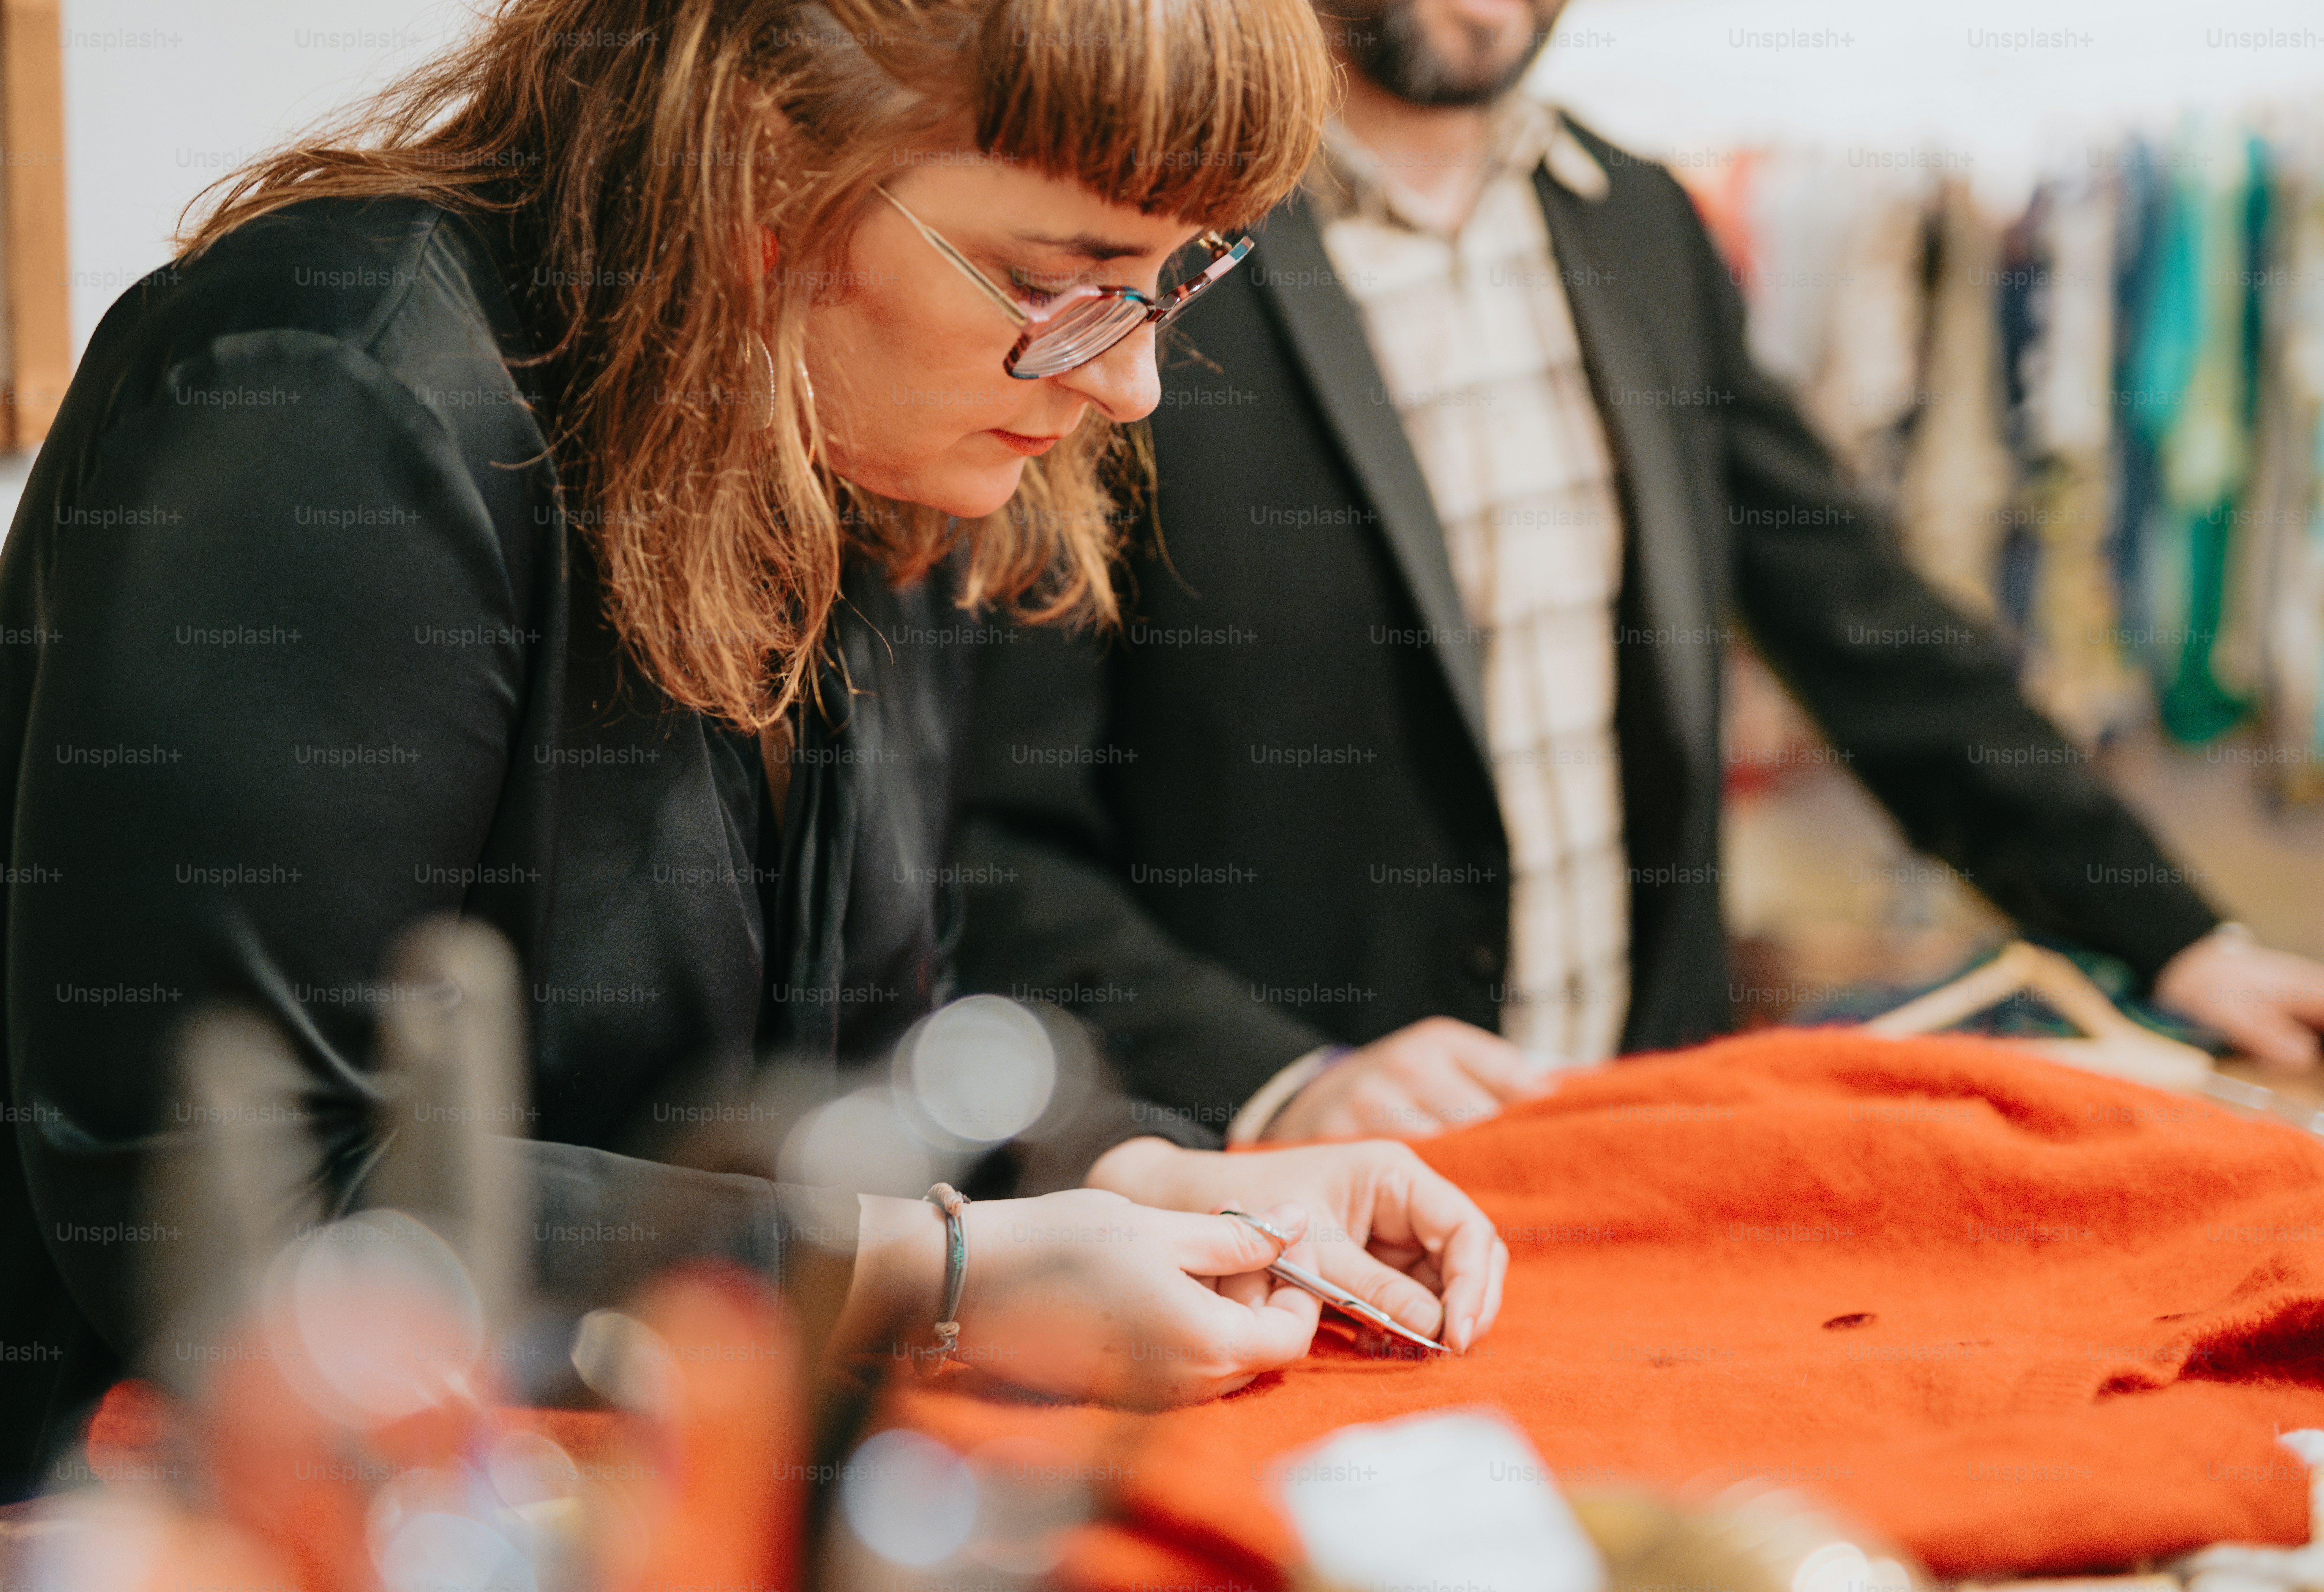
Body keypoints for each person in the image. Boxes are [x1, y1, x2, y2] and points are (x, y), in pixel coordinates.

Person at [0, 0, 1510, 1499]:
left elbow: (854, 1055)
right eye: (1060, 283)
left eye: (1177, 279)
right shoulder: (338, 401)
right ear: (761, 167)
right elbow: (228, 1204)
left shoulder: (852, 416)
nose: (1132, 382)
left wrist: (1142, 1176)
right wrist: (933, 1276)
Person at [953, 0, 2324, 1146]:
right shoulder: (1146, 251)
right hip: (1298, 1204)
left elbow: (1867, 624)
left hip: (1643, 1127)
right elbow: (989, 834)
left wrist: (2173, 934)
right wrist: (1278, 1080)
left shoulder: (1634, 219)